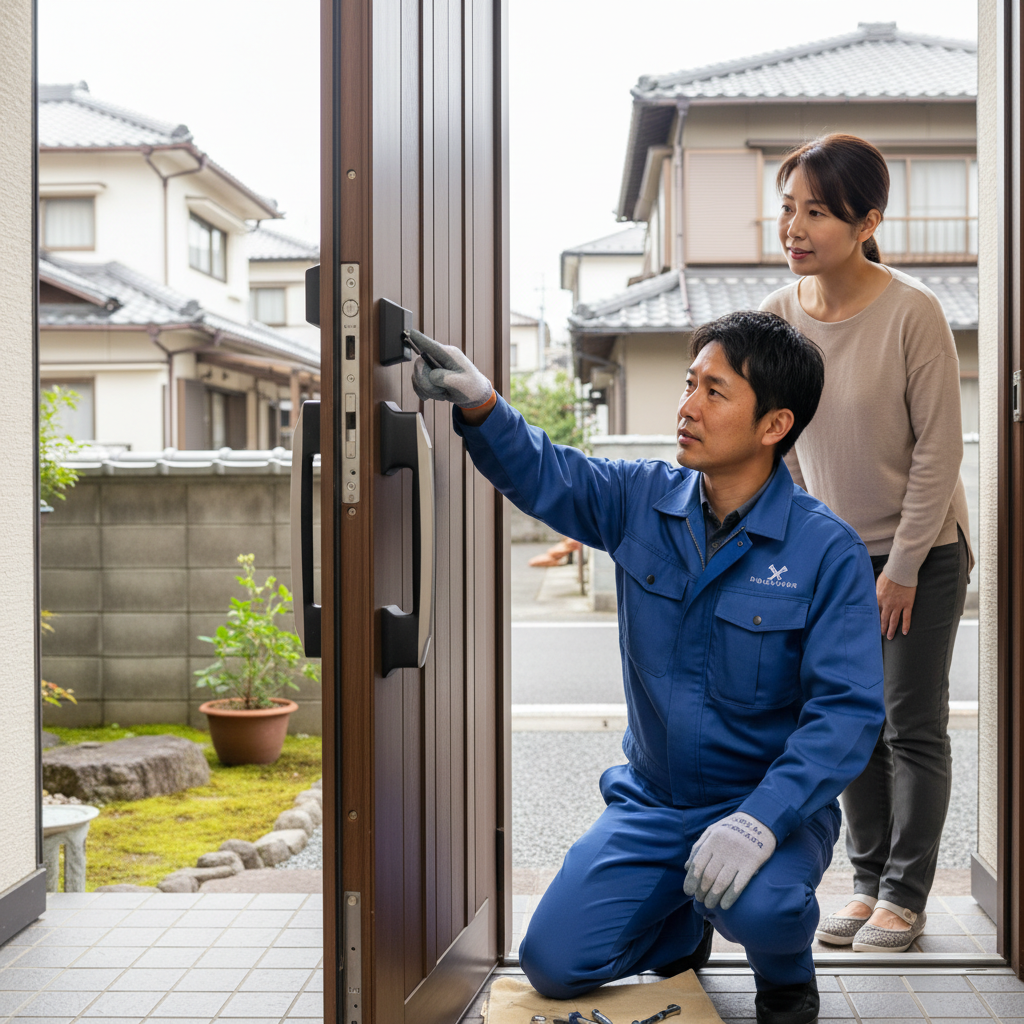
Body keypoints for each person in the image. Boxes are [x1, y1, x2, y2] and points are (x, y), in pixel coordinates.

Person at [410, 310, 885, 1024]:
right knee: (553, 963)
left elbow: (846, 715)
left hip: (769, 808)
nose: (688, 406)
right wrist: (480, 400)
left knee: (764, 907)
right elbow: (547, 474)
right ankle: (685, 923)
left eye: (715, 392)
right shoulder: (641, 500)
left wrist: (759, 819)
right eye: (690, 384)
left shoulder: (826, 552)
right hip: (656, 802)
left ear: (773, 425)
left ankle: (786, 978)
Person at [759, 133, 974, 953]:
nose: (795, 227)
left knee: (909, 721)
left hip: (923, 549)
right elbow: (779, 446)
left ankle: (905, 895)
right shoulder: (781, 317)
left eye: (816, 210)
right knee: (848, 719)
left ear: (867, 220)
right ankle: (863, 879)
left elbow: (938, 452)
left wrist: (906, 568)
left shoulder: (912, 310)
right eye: (788, 208)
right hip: (834, 554)